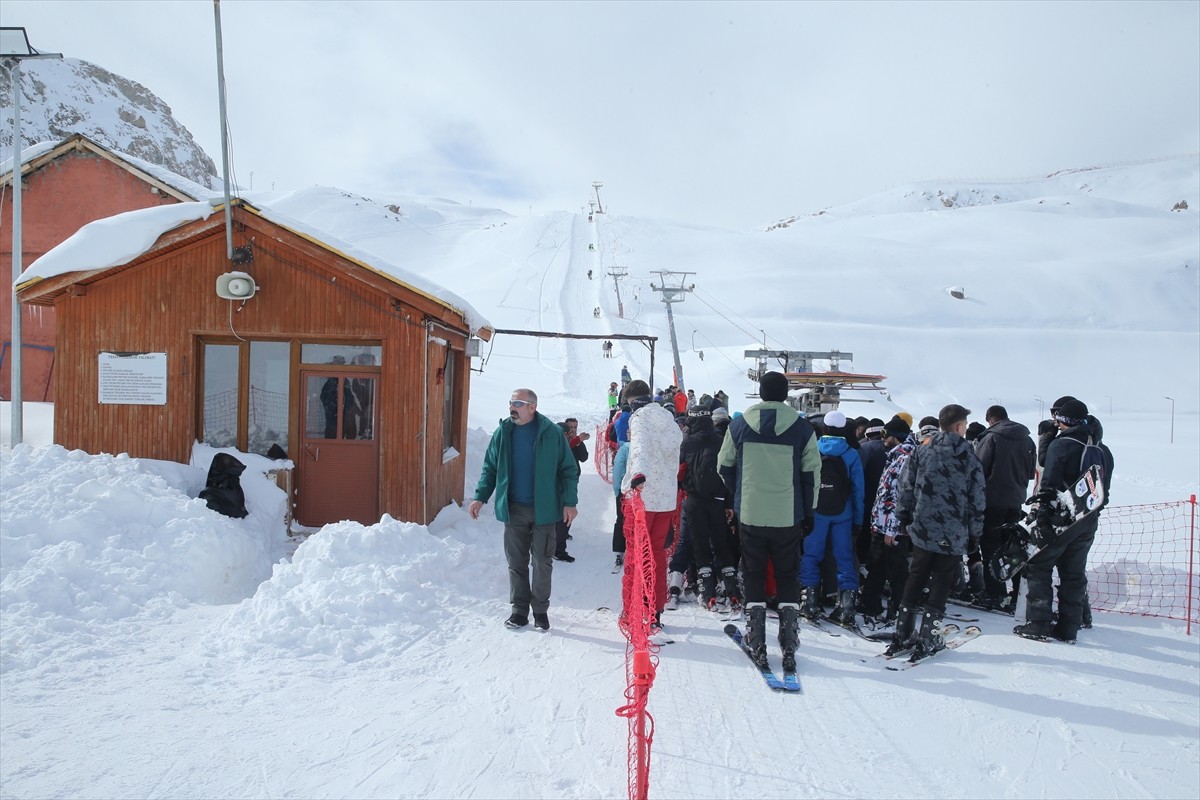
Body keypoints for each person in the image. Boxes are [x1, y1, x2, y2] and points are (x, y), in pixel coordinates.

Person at [717, 371, 820, 672]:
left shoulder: (739, 425)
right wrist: (809, 512)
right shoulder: (802, 429)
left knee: (753, 572)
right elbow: (811, 475)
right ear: (786, 393)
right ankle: (789, 643)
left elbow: (723, 467)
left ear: (760, 393)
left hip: (750, 512)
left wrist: (740, 494)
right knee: (788, 574)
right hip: (788, 515)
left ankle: (756, 638)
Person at [469, 389, 580, 632]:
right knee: (516, 562)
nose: (512, 407)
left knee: (542, 561)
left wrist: (570, 502)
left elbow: (568, 470)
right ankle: (519, 611)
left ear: (532, 407)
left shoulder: (551, 433)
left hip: (546, 509)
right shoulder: (503, 432)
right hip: (514, 509)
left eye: (518, 403)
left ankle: (540, 611)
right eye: (511, 402)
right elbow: (490, 468)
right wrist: (480, 497)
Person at [887, 404, 986, 657]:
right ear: (960, 426)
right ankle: (930, 636)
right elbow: (977, 499)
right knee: (942, 580)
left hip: (922, 526)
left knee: (916, 576)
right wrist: (975, 533)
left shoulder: (923, 450)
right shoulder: (969, 455)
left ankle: (902, 632)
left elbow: (905, 486)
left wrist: (903, 517)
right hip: (953, 532)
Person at [1014, 398, 1114, 643]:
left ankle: (1038, 624)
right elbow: (1104, 489)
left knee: (1039, 564)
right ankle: (1069, 627)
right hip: (1088, 518)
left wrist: (1044, 518)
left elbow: (1049, 485)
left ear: (1064, 421)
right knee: (1073, 572)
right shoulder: (1103, 449)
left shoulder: (1063, 445)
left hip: (1061, 517)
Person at [620, 380, 684, 632]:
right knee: (657, 554)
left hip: (642, 497)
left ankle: (636, 608)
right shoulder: (668, 418)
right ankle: (655, 609)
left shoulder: (640, 419)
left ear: (631, 400)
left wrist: (639, 474)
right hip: (666, 498)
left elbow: (640, 449)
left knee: (638, 555)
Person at [799, 410, 865, 627]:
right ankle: (847, 607)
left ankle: (809, 602)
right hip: (843, 513)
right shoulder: (851, 453)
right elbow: (858, 491)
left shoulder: (813, 449)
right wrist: (858, 519)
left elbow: (804, 482)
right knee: (844, 557)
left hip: (817, 511)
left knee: (811, 555)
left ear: (824, 429)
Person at [676, 399, 738, 610]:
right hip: (718, 501)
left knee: (700, 543)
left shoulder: (687, 443)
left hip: (693, 500)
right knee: (721, 542)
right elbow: (729, 474)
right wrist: (729, 503)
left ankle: (706, 588)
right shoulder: (721, 441)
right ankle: (731, 586)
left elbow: (679, 471)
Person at [973, 405, 1036, 608]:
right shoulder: (1027, 439)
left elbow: (978, 470)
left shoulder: (991, 438)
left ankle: (994, 592)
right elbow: (1029, 472)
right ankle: (1018, 590)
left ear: (990, 420)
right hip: (1015, 500)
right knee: (1013, 547)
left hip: (991, 501)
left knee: (990, 546)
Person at [860, 416, 916, 622]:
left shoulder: (905, 458)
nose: (882, 438)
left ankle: (899, 608)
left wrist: (893, 529)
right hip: (884, 524)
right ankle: (871, 604)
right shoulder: (896, 455)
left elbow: (901, 496)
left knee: (896, 569)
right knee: (878, 565)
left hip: (893, 527)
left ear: (895, 437)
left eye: (885, 434)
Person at [554, 419, 590, 562]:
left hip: (571, 480)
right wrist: (576, 440)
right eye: (570, 428)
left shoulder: (574, 441)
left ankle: (560, 538)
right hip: (559, 484)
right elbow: (563, 452)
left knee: (565, 514)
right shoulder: (559, 442)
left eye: (575, 427)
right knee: (564, 514)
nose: (573, 430)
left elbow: (584, 457)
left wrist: (579, 443)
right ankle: (558, 547)